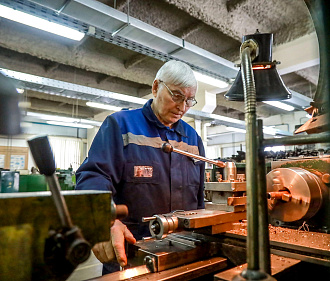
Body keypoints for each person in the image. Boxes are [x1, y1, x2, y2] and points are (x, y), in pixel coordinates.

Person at [75, 60, 205, 275]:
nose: (183, 107)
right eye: (177, 96)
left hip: (185, 252)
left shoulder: (193, 138)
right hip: (132, 253)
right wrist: (104, 222)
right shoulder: (121, 126)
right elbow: (93, 177)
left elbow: (198, 197)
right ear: (156, 87)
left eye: (190, 100)